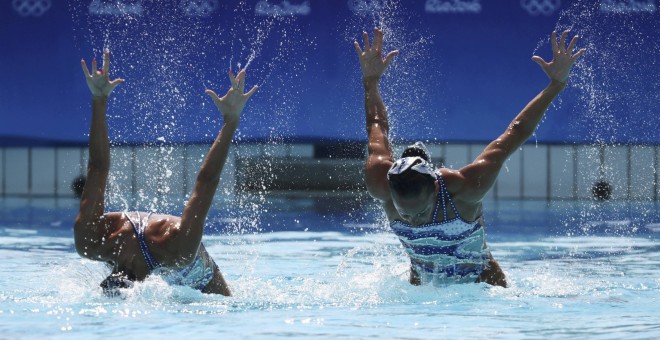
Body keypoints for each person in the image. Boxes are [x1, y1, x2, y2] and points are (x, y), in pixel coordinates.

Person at [354, 29, 585, 287]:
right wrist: (371, 80)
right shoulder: (380, 184)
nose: (415, 222)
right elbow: (376, 124)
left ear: (434, 187)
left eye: (419, 213)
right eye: (405, 215)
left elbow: (513, 134)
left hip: (484, 283)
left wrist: (556, 86)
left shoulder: (466, 188)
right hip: (422, 286)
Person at [75, 50, 258, 296]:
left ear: (139, 288)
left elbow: (207, 182)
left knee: (226, 307)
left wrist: (231, 119)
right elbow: (97, 167)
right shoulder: (92, 242)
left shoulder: (177, 250)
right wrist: (98, 99)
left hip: (196, 272)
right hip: (164, 255)